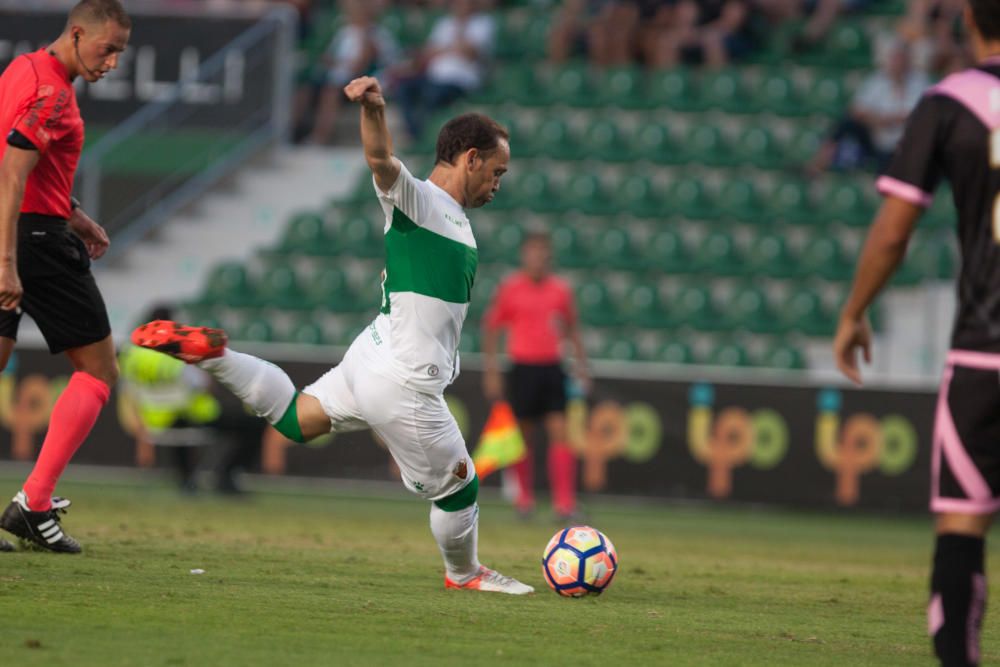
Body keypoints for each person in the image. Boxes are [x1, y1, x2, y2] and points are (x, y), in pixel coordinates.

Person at [132, 77, 532, 594]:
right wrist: (374, 109)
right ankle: (465, 574)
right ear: (470, 158)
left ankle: (214, 356)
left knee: (298, 419)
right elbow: (382, 161)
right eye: (496, 172)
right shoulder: (422, 201)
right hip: (405, 379)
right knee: (459, 486)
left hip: (372, 355)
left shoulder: (451, 216)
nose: (498, 184)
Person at [832, 2, 1000, 664]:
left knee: (962, 525)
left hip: (985, 352)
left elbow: (895, 228)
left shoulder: (950, 102)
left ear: (966, 20)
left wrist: (854, 310)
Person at [0, 0, 129, 554]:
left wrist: (76, 215)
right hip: (32, 243)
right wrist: (7, 261)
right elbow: (13, 170)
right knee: (99, 370)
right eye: (108, 49)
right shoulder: (53, 93)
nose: (113, 63)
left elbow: (21, 166)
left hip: (24, 228)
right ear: (77, 33)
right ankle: (34, 502)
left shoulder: (21, 70)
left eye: (121, 52)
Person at [481, 232, 590, 522]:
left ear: (549, 256)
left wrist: (581, 366)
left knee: (560, 433)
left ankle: (564, 503)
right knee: (523, 436)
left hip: (553, 367)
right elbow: (492, 328)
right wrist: (491, 370)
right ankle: (524, 499)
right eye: (533, 252)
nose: (538, 258)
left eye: (543, 252)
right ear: (524, 255)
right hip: (523, 367)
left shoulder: (560, 290)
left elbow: (572, 328)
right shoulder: (511, 288)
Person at [808, 38, 929, 176]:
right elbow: (856, 110)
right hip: (877, 138)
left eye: (901, 58)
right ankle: (820, 161)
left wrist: (887, 119)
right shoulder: (877, 80)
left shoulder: (920, 82)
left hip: (905, 143)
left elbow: (921, 114)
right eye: (895, 58)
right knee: (847, 124)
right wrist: (877, 120)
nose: (897, 63)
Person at [294, 0, 400, 145]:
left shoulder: (375, 34)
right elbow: (328, 57)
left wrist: (363, 37)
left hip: (360, 80)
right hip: (336, 74)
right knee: (304, 87)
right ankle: (293, 132)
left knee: (330, 91)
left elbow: (362, 64)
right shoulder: (344, 32)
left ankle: (320, 137)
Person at [393, 0, 496, 140]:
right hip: (435, 77)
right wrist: (454, 48)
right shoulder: (445, 23)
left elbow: (471, 52)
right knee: (404, 88)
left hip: (461, 80)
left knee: (433, 95)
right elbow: (428, 52)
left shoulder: (483, 23)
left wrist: (447, 46)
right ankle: (415, 133)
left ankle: (426, 136)